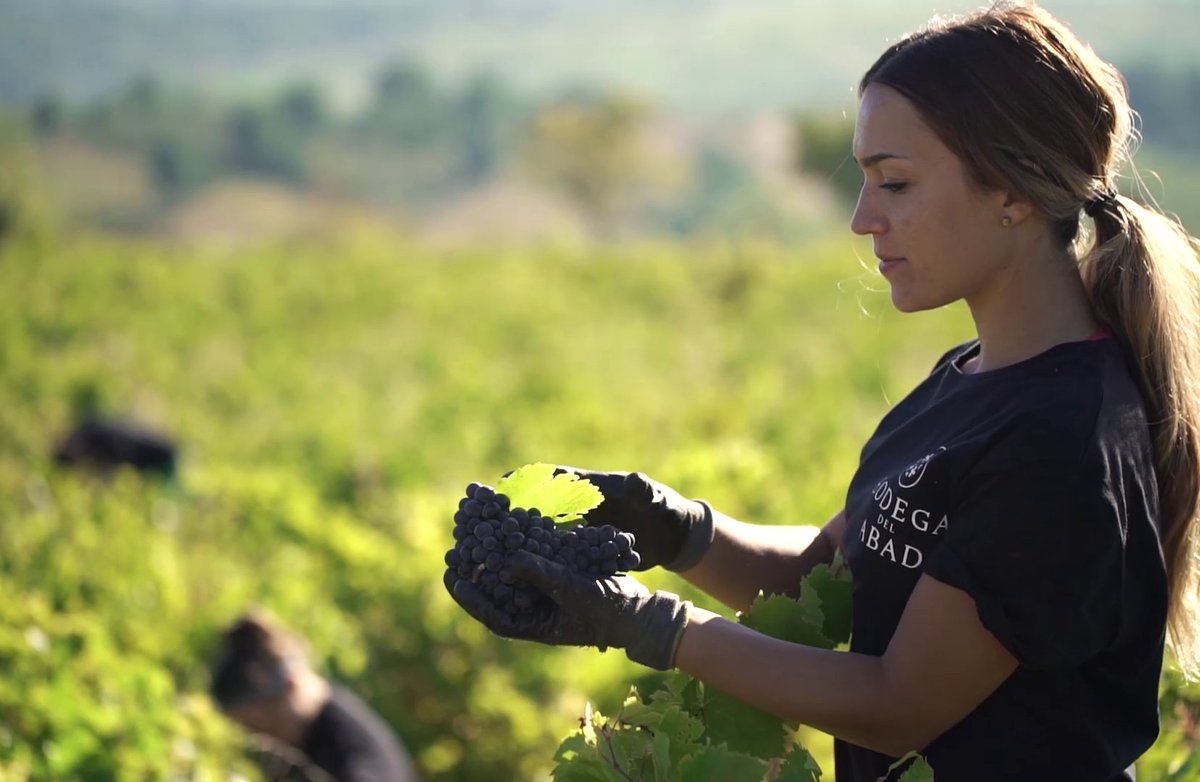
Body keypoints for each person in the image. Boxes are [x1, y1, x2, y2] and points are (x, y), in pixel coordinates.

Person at [447, 2, 1200, 780]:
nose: (862, 219)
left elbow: (899, 702)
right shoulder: (971, 377)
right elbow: (831, 571)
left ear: (1013, 191)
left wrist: (647, 622)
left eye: (895, 183)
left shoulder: (1062, 440)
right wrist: (671, 527)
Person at [209, 609, 420, 782]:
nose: (263, 737)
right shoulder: (319, 737)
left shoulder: (352, 755)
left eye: (258, 724)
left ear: (291, 687)